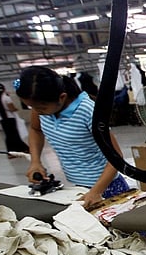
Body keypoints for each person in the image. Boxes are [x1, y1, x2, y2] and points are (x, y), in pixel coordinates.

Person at [15, 66, 130, 208]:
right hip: (78, 186)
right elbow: (35, 129)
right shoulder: (40, 109)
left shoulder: (88, 112)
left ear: (62, 97)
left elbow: (116, 157)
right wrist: (35, 162)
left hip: (107, 186)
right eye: (31, 107)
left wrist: (96, 191)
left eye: (41, 108)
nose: (37, 111)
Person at [0, 82, 29, 154]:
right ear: (3, 89)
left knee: (8, 135)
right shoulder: (6, 98)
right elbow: (12, 109)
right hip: (10, 118)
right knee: (15, 134)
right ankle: (23, 148)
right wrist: (16, 109)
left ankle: (11, 151)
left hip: (2, 119)